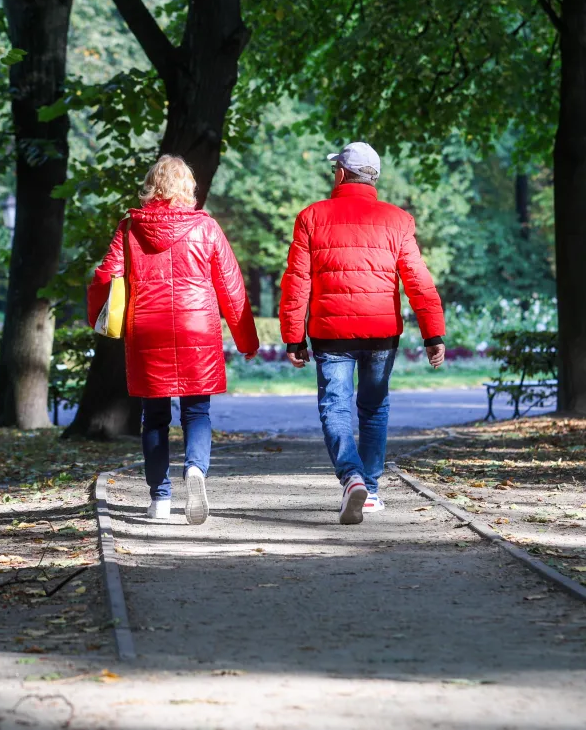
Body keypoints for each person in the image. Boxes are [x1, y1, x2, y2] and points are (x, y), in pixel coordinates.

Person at [279, 142, 447, 525]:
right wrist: (433, 334)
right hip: (381, 333)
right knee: (374, 408)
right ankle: (369, 491)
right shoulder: (399, 220)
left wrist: (293, 337)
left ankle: (351, 475)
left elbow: (296, 282)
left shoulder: (311, 217)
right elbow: (418, 280)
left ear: (340, 173)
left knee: (335, 407)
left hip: (331, 332)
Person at [88, 155, 259, 524]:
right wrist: (247, 341)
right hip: (197, 328)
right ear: (188, 188)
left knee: (154, 418)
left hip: (148, 328)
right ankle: (195, 470)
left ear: (151, 186)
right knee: (197, 411)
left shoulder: (130, 227)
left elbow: (106, 276)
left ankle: (159, 499)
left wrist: (97, 319)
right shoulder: (206, 228)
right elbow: (231, 287)